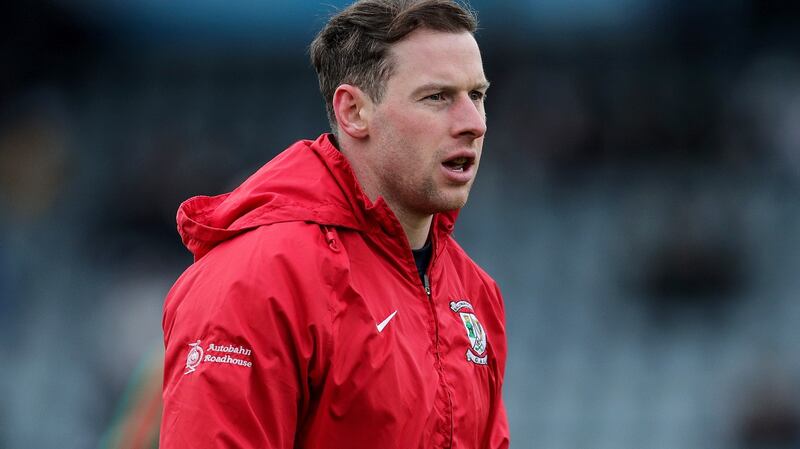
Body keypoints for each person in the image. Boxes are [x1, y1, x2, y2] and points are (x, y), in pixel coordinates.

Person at [159, 1, 509, 448]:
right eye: (437, 97)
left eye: (476, 95)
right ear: (354, 112)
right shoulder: (258, 280)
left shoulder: (475, 293)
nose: (474, 124)